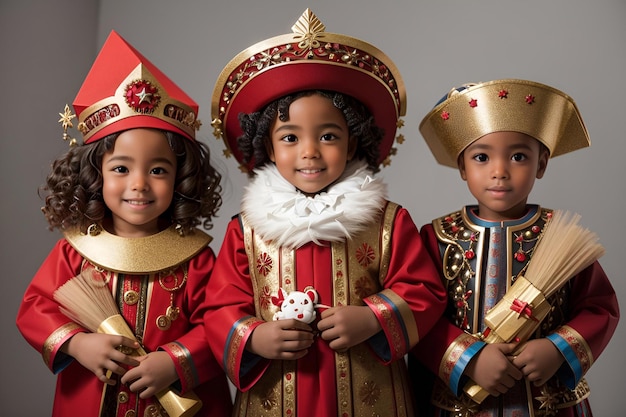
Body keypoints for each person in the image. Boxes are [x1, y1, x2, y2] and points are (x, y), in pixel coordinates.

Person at [204, 9, 447, 417]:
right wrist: (254, 337)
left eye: (329, 136)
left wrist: (373, 319)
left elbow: (424, 292)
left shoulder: (387, 222)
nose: (310, 151)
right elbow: (219, 307)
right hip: (274, 396)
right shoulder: (246, 230)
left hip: (372, 395)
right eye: (290, 137)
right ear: (269, 147)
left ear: (352, 145)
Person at [16, 31, 233, 417]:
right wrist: (78, 344)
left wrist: (175, 360)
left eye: (158, 169)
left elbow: (218, 323)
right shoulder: (75, 249)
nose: (139, 184)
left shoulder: (196, 258)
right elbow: (35, 308)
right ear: (95, 174)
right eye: (121, 168)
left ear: (181, 177)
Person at [409, 78, 620, 416]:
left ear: (542, 163)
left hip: (549, 403)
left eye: (519, 156)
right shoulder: (437, 237)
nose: (499, 171)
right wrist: (469, 358)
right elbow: (419, 315)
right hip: (461, 403)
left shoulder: (561, 237)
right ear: (462, 166)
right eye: (481, 157)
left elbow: (600, 308)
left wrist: (557, 349)